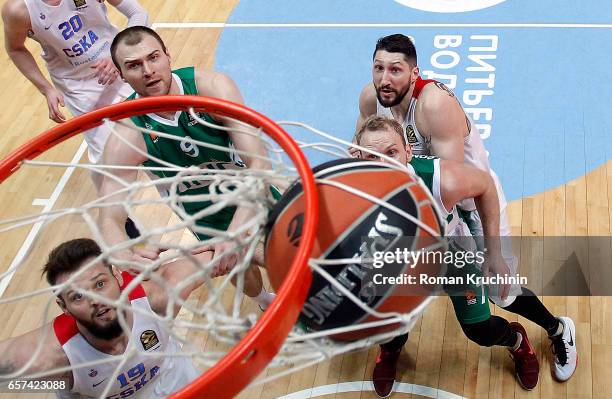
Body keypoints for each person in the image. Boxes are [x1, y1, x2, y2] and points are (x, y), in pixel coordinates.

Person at [356, 33, 577, 387]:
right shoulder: (371, 98)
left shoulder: (434, 106)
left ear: (414, 73)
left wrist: (487, 253)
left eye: (395, 70)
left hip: (467, 205)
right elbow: (364, 154)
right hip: (416, 212)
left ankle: (557, 328)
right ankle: (391, 347)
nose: (385, 79)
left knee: (500, 289)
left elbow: (449, 187)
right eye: (379, 68)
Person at [98, 26, 274, 307]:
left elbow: (259, 162)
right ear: (121, 74)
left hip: (249, 188)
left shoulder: (211, 88)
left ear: (168, 56)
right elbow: (110, 215)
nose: (148, 70)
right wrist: (119, 250)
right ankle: (265, 300)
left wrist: (237, 230)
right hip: (202, 210)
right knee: (241, 269)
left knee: (286, 250)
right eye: (134, 65)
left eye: (153, 58)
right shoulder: (128, 134)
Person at [2, 0, 149, 238]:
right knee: (108, 159)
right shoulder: (19, 9)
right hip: (79, 86)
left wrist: (119, 54)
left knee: (156, 140)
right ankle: (123, 228)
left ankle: (190, 200)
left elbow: (138, 13)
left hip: (118, 63)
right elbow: (15, 48)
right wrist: (46, 89)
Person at [0, 238, 201, 398]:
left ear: (118, 276)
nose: (95, 300)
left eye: (100, 284)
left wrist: (222, 246)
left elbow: (221, 256)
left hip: (183, 386)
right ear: (64, 307)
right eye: (78, 296)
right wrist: (61, 384)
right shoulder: (56, 357)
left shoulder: (156, 298)